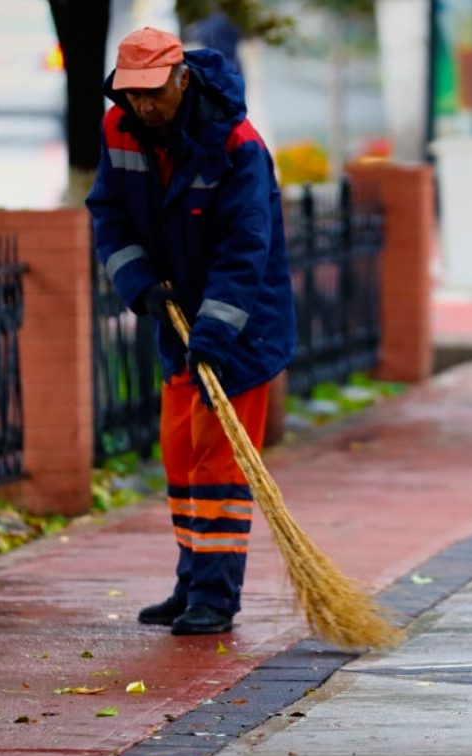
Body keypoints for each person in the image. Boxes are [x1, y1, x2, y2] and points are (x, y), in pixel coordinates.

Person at [85, 27, 296, 636]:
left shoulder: (237, 145)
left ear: (181, 78)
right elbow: (111, 215)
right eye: (132, 94)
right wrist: (141, 285)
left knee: (219, 464)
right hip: (176, 317)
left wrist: (214, 332)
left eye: (153, 92)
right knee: (180, 457)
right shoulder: (119, 130)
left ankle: (215, 596)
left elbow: (245, 251)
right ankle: (190, 581)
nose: (143, 106)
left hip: (242, 328)